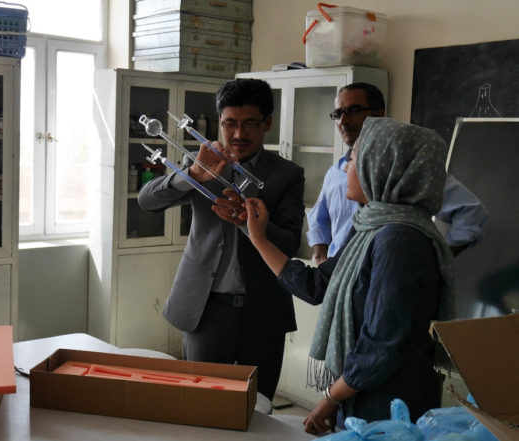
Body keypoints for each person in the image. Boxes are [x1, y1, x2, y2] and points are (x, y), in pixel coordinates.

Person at [243, 117, 454, 433]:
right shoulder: (371, 228)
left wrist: (330, 398)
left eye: (353, 159)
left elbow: (381, 345)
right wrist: (258, 237)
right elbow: (316, 285)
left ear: (381, 168)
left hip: (390, 405)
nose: (345, 169)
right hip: (363, 393)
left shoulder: (400, 240)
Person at [138, 78, 305, 401]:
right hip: (206, 309)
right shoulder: (199, 162)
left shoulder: (287, 174)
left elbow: (289, 244)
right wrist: (191, 176)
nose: (238, 134)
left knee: (258, 406)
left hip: (264, 309)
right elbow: (147, 201)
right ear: (219, 122)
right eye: (230, 124)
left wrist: (250, 225)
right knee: (202, 404)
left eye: (250, 123)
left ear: (268, 123)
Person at [307, 82, 488, 265]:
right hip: (338, 276)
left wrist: (438, 260)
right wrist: (321, 258)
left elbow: (471, 211)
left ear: (378, 115)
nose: (343, 121)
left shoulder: (404, 170)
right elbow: (318, 220)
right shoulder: (336, 172)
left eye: (354, 110)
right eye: (338, 114)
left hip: (385, 272)